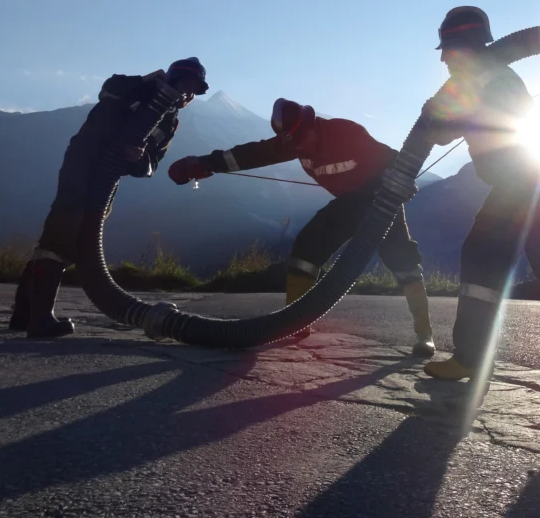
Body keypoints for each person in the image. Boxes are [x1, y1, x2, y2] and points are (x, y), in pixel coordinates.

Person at [422, 6, 540, 382]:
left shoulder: (485, 79)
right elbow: (445, 129)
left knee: (480, 255)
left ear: (462, 47)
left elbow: (449, 128)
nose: (442, 58)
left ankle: (470, 358)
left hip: (522, 181)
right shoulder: (487, 76)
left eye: (447, 49)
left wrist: (438, 114)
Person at [167, 99, 436, 356]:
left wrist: (401, 181)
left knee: (404, 262)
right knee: (305, 250)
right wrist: (203, 163)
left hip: (381, 200)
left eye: (300, 141)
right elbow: (252, 154)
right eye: (292, 145)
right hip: (348, 204)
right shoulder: (294, 142)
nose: (299, 149)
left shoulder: (346, 132)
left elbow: (390, 157)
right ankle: (295, 323)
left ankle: (425, 334)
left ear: (313, 125)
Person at [9, 57, 209, 338]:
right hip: (85, 159)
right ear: (171, 79)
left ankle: (25, 314)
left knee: (80, 233)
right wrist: (144, 81)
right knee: (65, 226)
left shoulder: (170, 121)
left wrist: (139, 161)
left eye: (194, 90)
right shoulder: (135, 89)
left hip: (109, 178)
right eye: (186, 84)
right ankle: (40, 319)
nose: (188, 93)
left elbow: (152, 163)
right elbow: (109, 90)